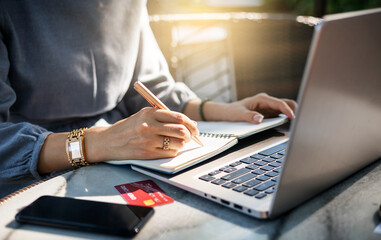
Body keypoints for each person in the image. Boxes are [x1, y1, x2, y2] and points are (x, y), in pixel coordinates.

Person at [0, 1, 296, 198]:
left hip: (126, 161)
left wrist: (221, 109)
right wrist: (98, 143)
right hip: (29, 178)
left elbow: (149, 88)